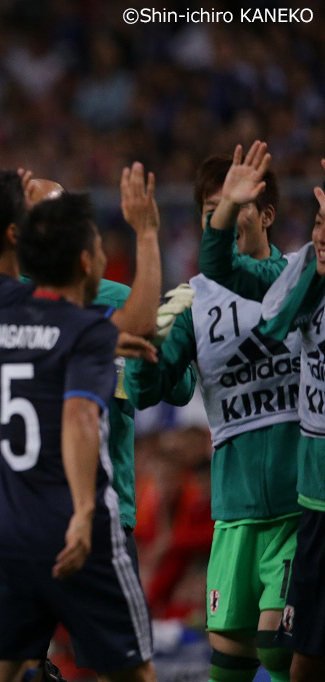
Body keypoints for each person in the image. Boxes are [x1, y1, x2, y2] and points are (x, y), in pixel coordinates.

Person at [127, 142, 300, 682]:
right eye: (209, 211)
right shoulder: (190, 301)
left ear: (266, 213)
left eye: (233, 203)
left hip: (301, 507)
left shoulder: (301, 281)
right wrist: (142, 350)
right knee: (228, 665)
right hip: (234, 512)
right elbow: (150, 387)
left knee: (280, 647)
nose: (217, 219)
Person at [0, 192, 155, 682]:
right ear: (85, 261)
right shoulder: (89, 332)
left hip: (8, 524)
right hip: (75, 527)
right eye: (95, 244)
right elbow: (77, 419)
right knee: (134, 674)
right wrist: (85, 511)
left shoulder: (2, 324)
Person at [224, 155, 325, 682]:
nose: (322, 235)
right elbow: (277, 322)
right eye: (318, 222)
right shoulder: (305, 276)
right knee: (296, 653)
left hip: (304, 497)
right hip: (314, 497)